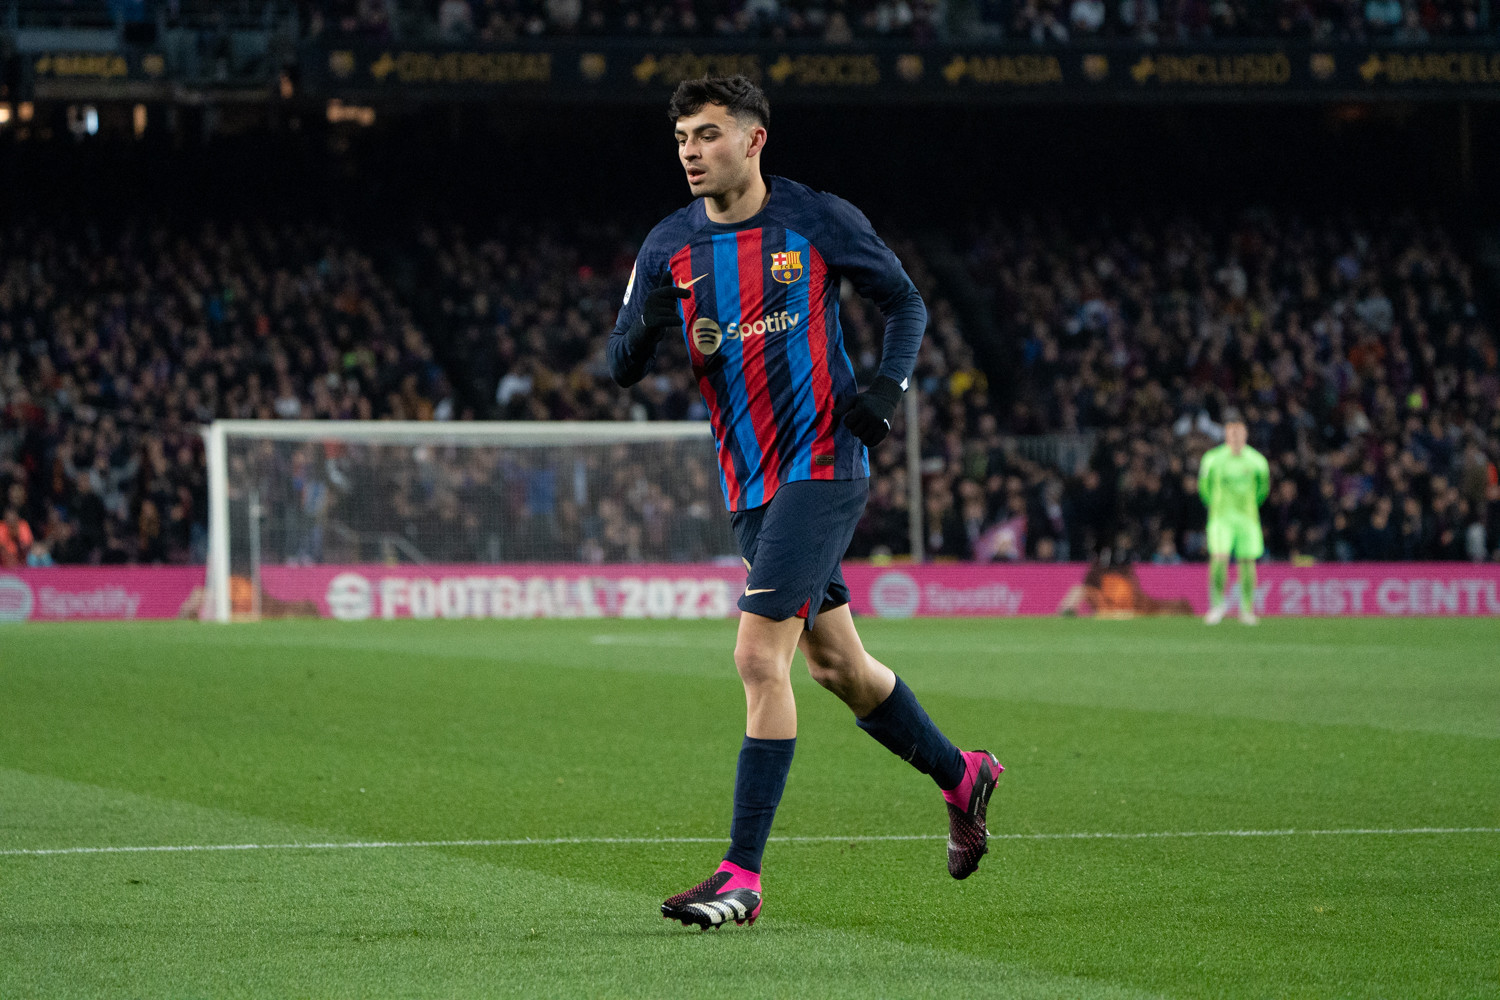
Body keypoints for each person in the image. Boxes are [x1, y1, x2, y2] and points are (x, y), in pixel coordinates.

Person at [609, 75, 1002, 930]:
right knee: (838, 669)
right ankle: (964, 774)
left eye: (707, 134)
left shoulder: (815, 217)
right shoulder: (667, 246)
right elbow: (620, 361)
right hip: (747, 483)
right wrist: (652, 323)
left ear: (753, 141)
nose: (689, 150)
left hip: (824, 463)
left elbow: (904, 300)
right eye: (680, 137)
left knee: (759, 659)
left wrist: (887, 390)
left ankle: (741, 877)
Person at [1197, 409, 1270, 625]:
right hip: (1221, 519)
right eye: (1232, 433)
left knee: (1247, 563)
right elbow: (1204, 489)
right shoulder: (1212, 459)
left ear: (1245, 435)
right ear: (1226, 435)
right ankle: (1217, 605)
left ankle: (1247, 609)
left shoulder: (1257, 461)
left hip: (1247, 519)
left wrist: (1249, 507)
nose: (1236, 438)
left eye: (1240, 433)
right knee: (1219, 559)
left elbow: (1262, 491)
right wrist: (1217, 507)